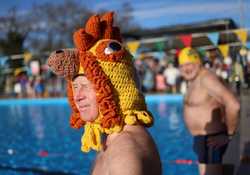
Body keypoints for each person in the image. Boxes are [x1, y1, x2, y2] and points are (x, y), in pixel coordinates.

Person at [47, 12, 161, 175]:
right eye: (76, 86)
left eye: (86, 85)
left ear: (116, 89)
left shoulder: (126, 151)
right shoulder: (112, 138)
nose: (78, 96)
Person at [178, 47, 240, 175]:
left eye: (190, 64)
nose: (186, 68)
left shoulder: (206, 78)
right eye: (182, 65)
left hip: (212, 139)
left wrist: (228, 135)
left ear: (198, 63)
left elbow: (233, 105)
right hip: (202, 139)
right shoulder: (194, 80)